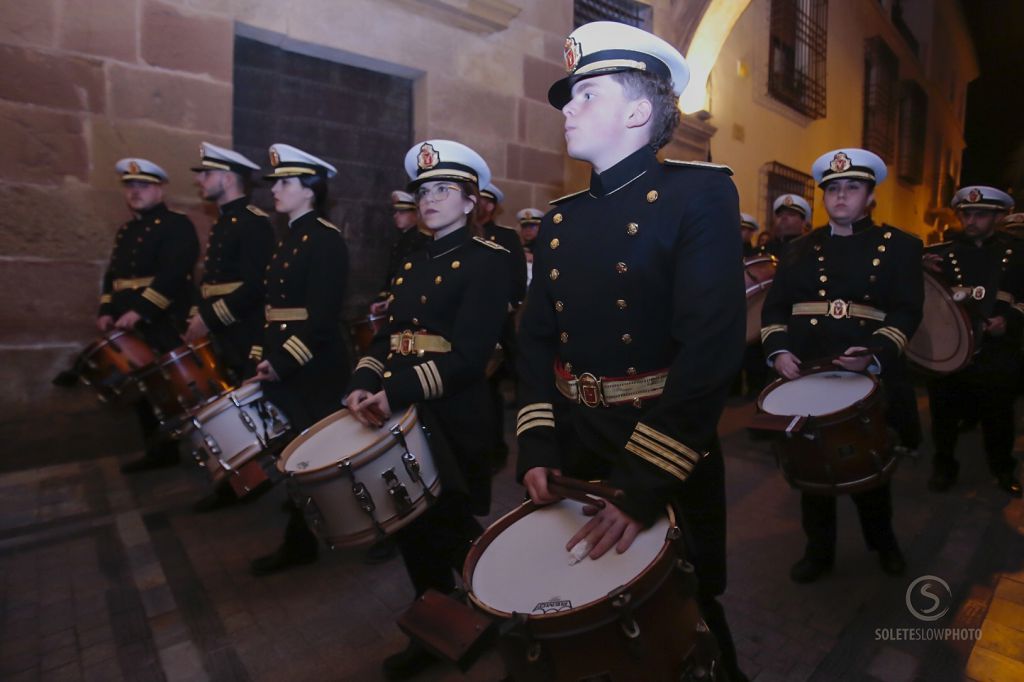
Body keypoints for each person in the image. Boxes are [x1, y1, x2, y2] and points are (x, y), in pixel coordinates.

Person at [515, 21, 748, 682]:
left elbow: (710, 349)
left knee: (687, 605)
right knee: (588, 612)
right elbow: (534, 340)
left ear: (640, 110)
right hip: (574, 444)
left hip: (660, 442)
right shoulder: (560, 218)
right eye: (568, 96)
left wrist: (644, 487)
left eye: (587, 92)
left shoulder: (699, 196)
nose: (567, 107)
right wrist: (536, 444)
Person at [344, 139, 511, 679]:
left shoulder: (488, 262)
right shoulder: (413, 257)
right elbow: (389, 337)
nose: (430, 199)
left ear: (470, 202)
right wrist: (362, 381)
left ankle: (503, 605)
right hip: (402, 409)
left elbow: (470, 358)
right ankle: (436, 622)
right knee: (410, 529)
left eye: (444, 189)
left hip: (451, 414)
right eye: (424, 190)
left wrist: (397, 392)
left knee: (451, 524)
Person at [760, 148, 924, 583]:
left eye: (852, 187)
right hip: (809, 374)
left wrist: (875, 352)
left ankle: (883, 542)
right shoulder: (797, 251)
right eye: (832, 189)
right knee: (812, 468)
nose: (841, 196)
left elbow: (908, 311)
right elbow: (774, 309)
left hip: (865, 374)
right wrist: (778, 352)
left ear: (870, 195)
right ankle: (819, 551)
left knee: (868, 467)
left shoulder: (900, 247)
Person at [247, 143, 351, 575]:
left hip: (314, 368)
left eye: (286, 182)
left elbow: (323, 317)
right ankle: (304, 535)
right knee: (291, 455)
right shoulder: (287, 238)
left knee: (312, 456)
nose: (276, 189)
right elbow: (272, 310)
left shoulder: (325, 240)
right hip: (285, 363)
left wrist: (283, 362)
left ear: (310, 190)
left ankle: (315, 537)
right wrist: (261, 356)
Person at [184, 142, 276, 511]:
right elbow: (213, 282)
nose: (201, 182)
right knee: (224, 406)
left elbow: (256, 286)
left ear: (226, 177)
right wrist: (198, 313)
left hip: (243, 331)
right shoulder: (224, 221)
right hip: (222, 332)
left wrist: (209, 317)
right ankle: (240, 482)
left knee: (249, 411)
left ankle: (258, 479)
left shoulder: (253, 222)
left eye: (206, 175)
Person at [99, 158, 200, 473]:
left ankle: (199, 451)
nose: (135, 192)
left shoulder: (176, 224)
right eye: (130, 186)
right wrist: (106, 309)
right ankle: (159, 450)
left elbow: (173, 274)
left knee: (173, 388)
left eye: (142, 186)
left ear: (159, 189)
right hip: (129, 322)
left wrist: (140, 311)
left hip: (163, 320)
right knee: (144, 390)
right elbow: (113, 275)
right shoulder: (126, 230)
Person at [924, 185, 1023, 497]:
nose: (971, 220)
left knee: (999, 414)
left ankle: (1003, 468)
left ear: (998, 216)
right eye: (967, 213)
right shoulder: (941, 254)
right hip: (951, 349)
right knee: (944, 414)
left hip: (997, 349)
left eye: (980, 214)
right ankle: (944, 467)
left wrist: (1009, 321)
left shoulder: (1017, 254)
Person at [478, 182, 528, 472]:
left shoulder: (506, 237)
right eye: (479, 200)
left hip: (496, 327)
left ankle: (496, 449)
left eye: (488, 201)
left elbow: (517, 284)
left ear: (494, 207)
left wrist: (500, 309)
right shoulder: (466, 235)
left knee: (491, 391)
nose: (482, 206)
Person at [370, 190, 429, 316]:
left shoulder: (422, 241)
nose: (396, 216)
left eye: (402, 212)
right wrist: (382, 298)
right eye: (396, 212)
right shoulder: (399, 242)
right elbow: (392, 275)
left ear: (416, 214)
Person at [758, 193, 811, 258]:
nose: (784, 217)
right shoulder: (763, 251)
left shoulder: (809, 251)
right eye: (779, 215)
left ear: (804, 222)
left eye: (791, 214)